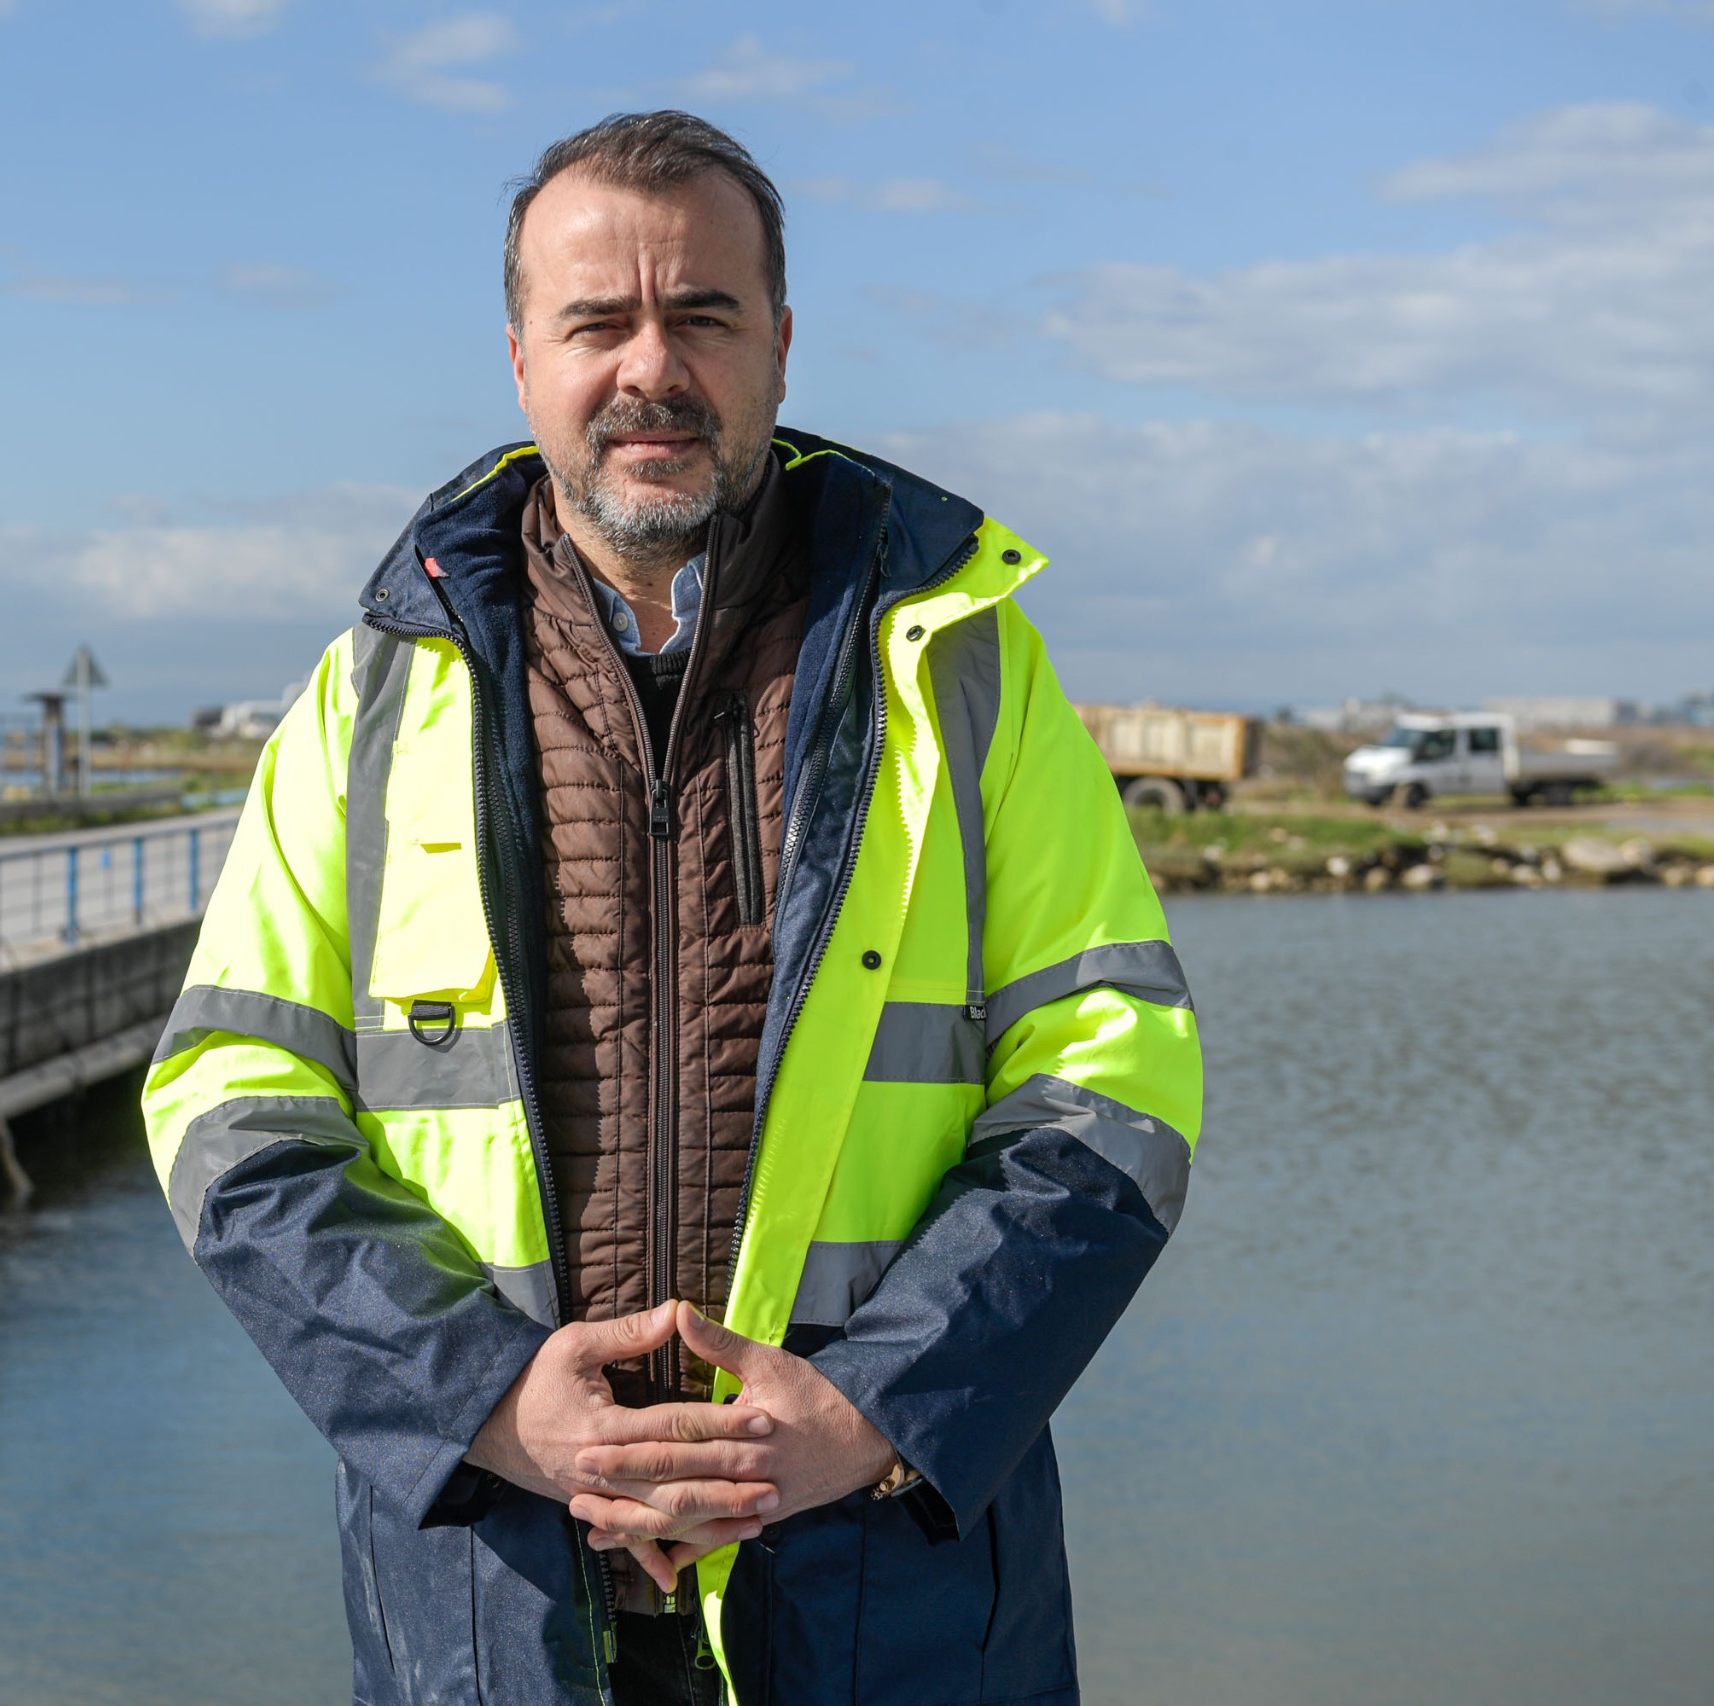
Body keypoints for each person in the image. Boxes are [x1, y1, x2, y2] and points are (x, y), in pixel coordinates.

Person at [142, 110, 1201, 1706]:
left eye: (702, 313)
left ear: (779, 344)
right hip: (495, 1602)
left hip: (884, 1604)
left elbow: (1112, 1088)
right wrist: (492, 1402)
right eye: (598, 321)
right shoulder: (373, 696)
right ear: (520, 360)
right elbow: (230, 1106)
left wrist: (872, 1414)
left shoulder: (964, 668)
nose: (653, 364)